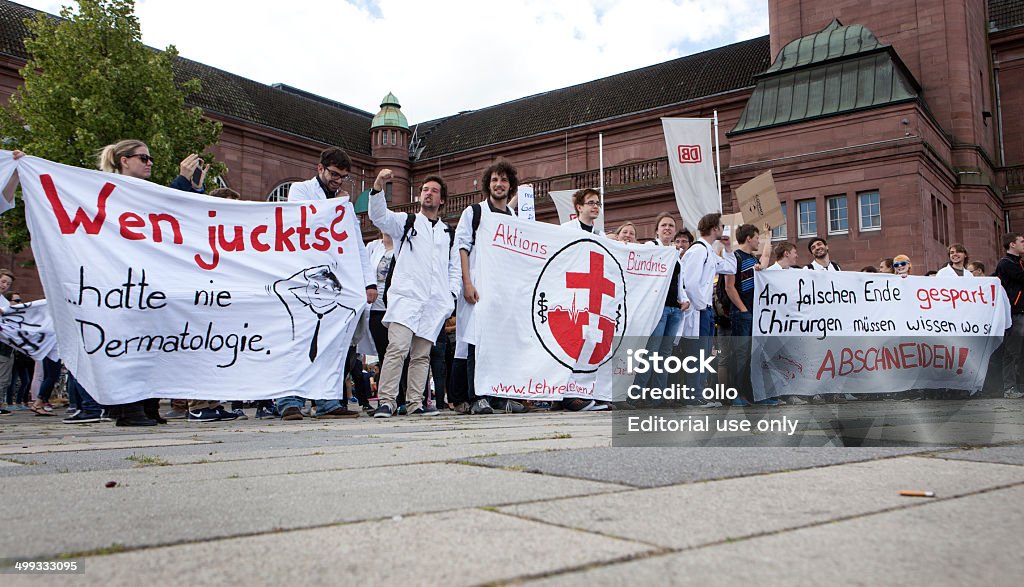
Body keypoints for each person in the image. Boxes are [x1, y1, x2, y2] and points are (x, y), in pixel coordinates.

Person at [273, 147, 374, 420]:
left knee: (332, 343)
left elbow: (357, 245)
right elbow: (303, 220)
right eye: (333, 174)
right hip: (304, 278)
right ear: (320, 169)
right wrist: (336, 205)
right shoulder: (300, 190)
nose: (337, 180)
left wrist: (369, 282)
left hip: (335, 284)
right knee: (297, 340)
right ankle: (288, 400)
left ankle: (327, 400)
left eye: (342, 177)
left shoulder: (344, 205)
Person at [369, 170, 460, 418]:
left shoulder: (447, 233)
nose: (428, 193)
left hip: (433, 304)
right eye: (425, 190)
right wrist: (378, 187)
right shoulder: (406, 222)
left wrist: (451, 296)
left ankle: (415, 403)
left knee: (421, 355)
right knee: (397, 348)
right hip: (407, 298)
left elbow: (454, 269)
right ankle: (386, 401)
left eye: (434, 190)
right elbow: (379, 216)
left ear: (442, 200)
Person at [455, 160, 525, 415]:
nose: (499, 184)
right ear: (488, 184)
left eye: (504, 180)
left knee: (501, 342)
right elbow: (462, 247)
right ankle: (478, 397)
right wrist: (467, 282)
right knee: (477, 342)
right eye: (495, 180)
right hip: (478, 289)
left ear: (510, 186)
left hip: (503, 292)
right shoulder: (474, 212)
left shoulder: (513, 217)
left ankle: (499, 395)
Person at [680, 213, 737, 404]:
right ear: (715, 229)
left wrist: (728, 248)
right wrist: (701, 306)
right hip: (699, 310)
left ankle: (697, 394)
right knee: (696, 354)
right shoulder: (697, 251)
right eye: (721, 226)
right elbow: (690, 283)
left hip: (704, 310)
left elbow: (730, 268)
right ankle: (693, 395)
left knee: (703, 354)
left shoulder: (709, 252)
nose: (723, 229)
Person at [722, 224, 773, 406]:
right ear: (749, 238)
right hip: (741, 314)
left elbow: (765, 259)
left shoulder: (752, 258)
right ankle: (736, 394)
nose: (759, 241)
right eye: (758, 237)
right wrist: (743, 309)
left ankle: (752, 394)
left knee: (753, 355)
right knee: (740, 355)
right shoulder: (734, 257)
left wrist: (768, 236)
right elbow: (729, 286)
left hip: (753, 314)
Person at [995, 233, 1024, 399]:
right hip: (1015, 313)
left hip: (1020, 311)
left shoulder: (1018, 263)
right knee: (1013, 351)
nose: (1023, 244)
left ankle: (1016, 385)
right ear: (1012, 244)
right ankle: (1010, 387)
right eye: (1021, 241)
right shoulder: (1006, 263)